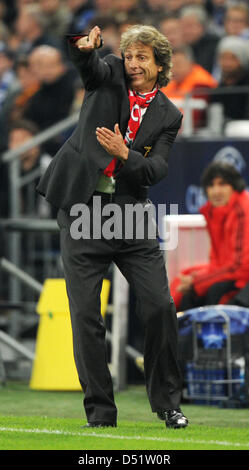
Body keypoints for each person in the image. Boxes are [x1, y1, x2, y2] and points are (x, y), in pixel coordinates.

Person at [37, 24, 188, 429]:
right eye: (130, 56)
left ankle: (167, 404)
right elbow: (90, 69)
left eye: (143, 57)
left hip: (131, 214)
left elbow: (155, 170)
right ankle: (101, 413)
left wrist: (125, 155)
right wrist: (83, 49)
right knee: (87, 315)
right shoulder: (109, 74)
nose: (134, 64)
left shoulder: (170, 115)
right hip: (83, 209)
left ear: (160, 66)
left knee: (159, 306)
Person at [170, 161, 249, 312]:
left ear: (235, 186)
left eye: (222, 184)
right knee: (185, 286)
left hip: (243, 280)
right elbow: (218, 264)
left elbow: (241, 267)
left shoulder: (243, 210)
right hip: (235, 276)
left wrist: (197, 282)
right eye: (211, 185)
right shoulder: (215, 212)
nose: (216, 191)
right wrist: (194, 279)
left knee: (212, 291)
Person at [161, 45, 217, 128]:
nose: (174, 70)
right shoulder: (169, 81)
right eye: (171, 66)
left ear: (191, 63)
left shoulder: (201, 83)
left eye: (178, 65)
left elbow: (195, 118)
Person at [210, 35, 249, 121]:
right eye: (223, 58)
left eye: (233, 58)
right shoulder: (219, 88)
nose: (227, 63)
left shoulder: (246, 86)